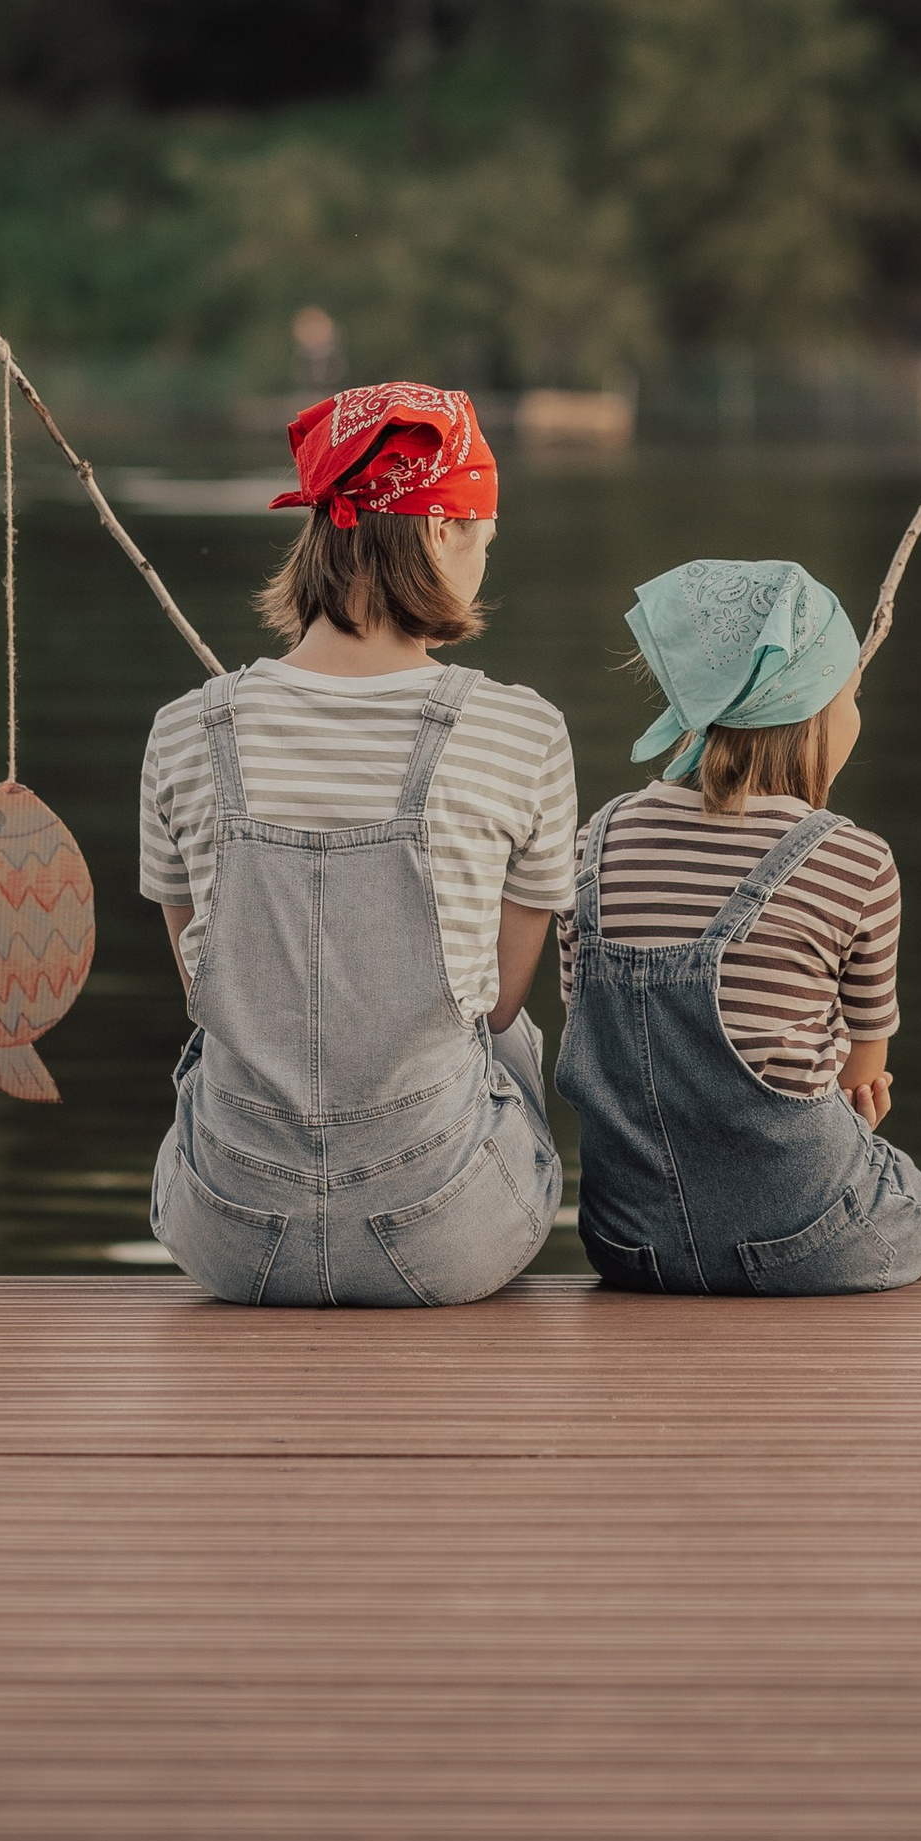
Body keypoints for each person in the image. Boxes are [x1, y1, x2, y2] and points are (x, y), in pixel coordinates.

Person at [144, 383, 572, 1306]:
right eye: (483, 542)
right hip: (447, 1237)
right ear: (442, 530)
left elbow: (203, 985)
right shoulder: (523, 733)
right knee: (510, 1041)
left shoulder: (184, 732)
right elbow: (496, 1006)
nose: (481, 566)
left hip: (227, 1237)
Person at [558, 555, 921, 1295]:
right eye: (852, 695)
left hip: (626, 1239)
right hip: (804, 1239)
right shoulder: (855, 860)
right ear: (810, 710)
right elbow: (862, 1080)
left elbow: (595, 1034)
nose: (856, 718)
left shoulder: (594, 842)